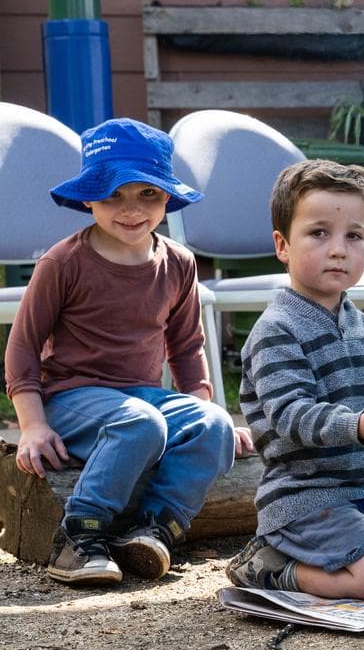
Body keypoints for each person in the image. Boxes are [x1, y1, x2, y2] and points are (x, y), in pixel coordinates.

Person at [5, 117, 253, 585]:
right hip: (71, 400)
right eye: (113, 194)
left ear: (167, 197)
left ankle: (153, 529)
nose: (131, 209)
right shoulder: (63, 263)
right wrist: (33, 424)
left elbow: (186, 346)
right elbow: (22, 347)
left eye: (147, 194)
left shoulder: (179, 262)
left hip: (139, 397)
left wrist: (204, 412)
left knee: (217, 422)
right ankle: (80, 534)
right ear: (88, 196)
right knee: (141, 422)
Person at [224, 160, 364, 600]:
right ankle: (269, 567)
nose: (338, 250)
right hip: (310, 498)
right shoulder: (277, 330)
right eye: (318, 233)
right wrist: (356, 426)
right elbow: (291, 415)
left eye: (354, 235)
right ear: (282, 245)